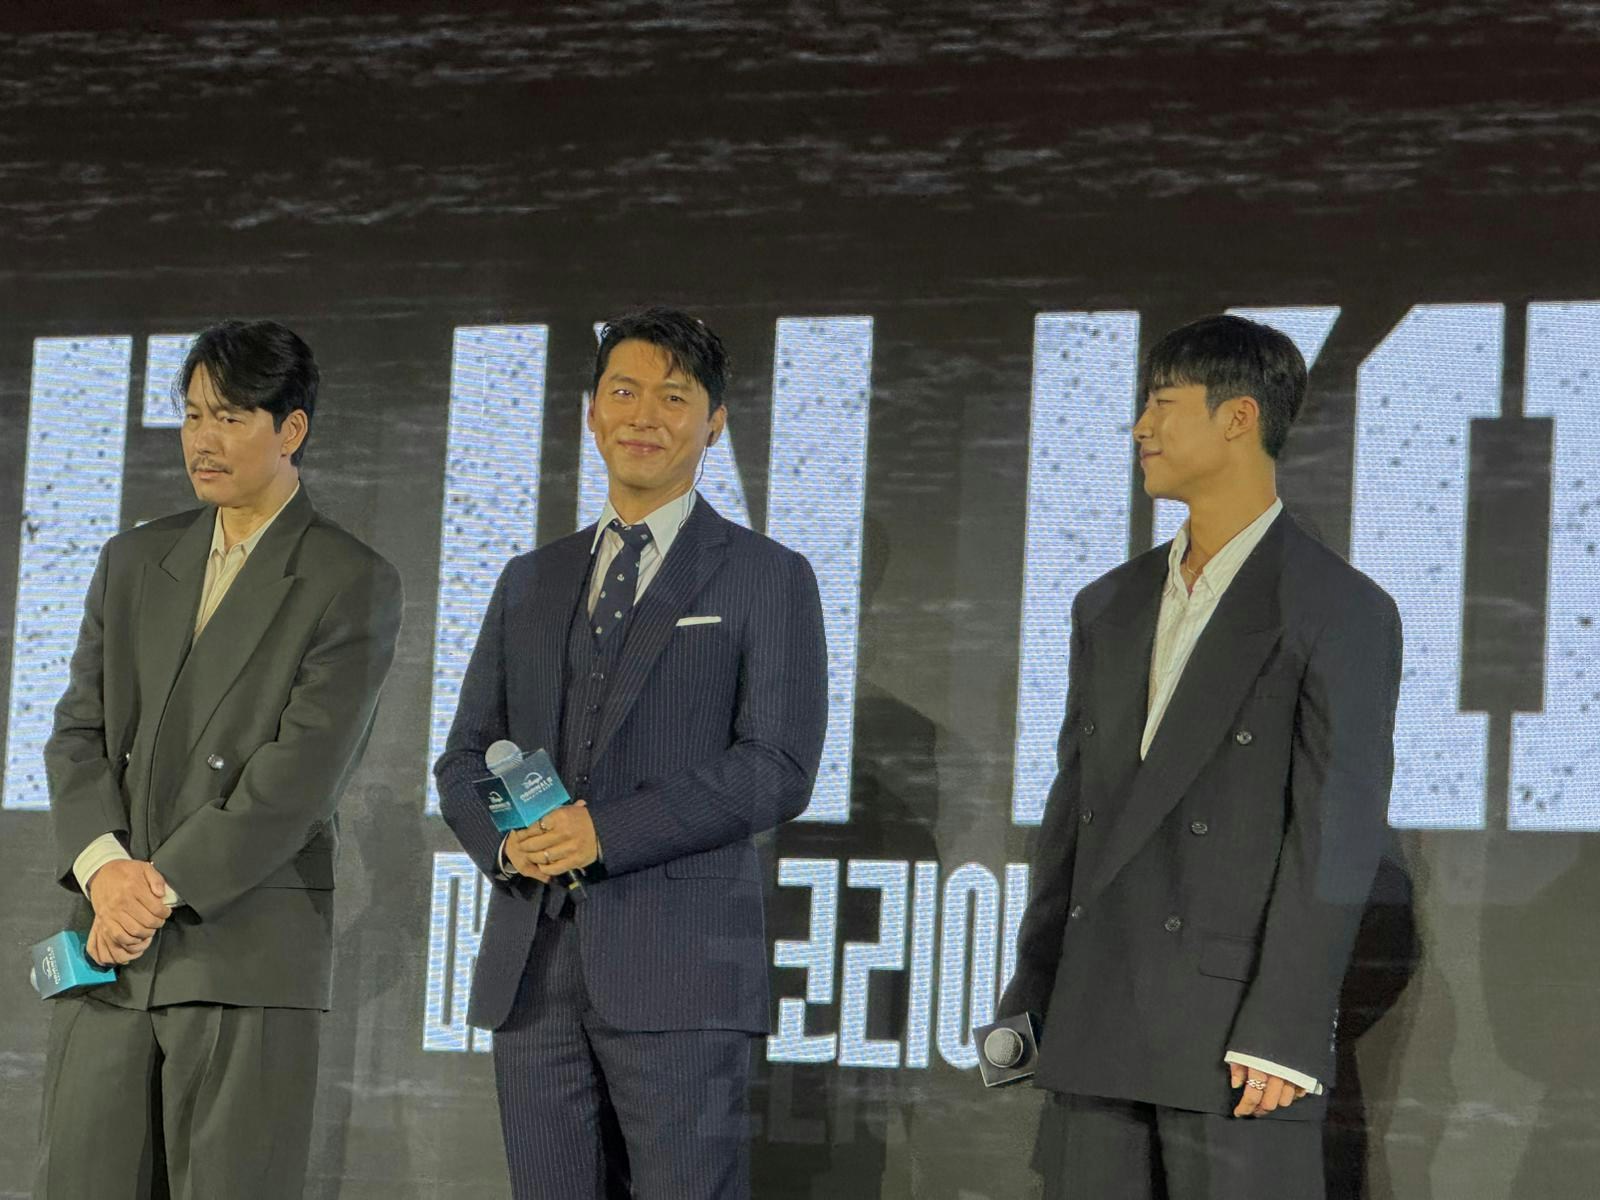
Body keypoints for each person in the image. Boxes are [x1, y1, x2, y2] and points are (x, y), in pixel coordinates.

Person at [999, 314, 1403, 1199]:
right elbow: (1074, 822)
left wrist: (1285, 1027)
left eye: (1163, 404)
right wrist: (1031, 996)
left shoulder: (1337, 607)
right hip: (1098, 1017)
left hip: (1236, 1044)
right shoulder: (1108, 604)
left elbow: (1336, 836)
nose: (1140, 428)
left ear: (1238, 418)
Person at [435, 306, 828, 1198]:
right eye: (623, 392)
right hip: (531, 975)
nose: (644, 415)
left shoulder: (767, 575)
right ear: (591, 412)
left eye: (673, 398)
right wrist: (510, 843)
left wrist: (604, 832)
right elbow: (465, 756)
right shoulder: (530, 578)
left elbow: (778, 765)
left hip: (683, 975)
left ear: (714, 423)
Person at [35, 319, 404, 1199]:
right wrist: (107, 875)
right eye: (194, 414)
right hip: (109, 954)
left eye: (232, 417)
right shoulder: (133, 559)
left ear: (292, 428)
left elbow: (298, 781)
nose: (204, 439)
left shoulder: (349, 578)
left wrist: (153, 893)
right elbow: (76, 732)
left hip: (243, 953)